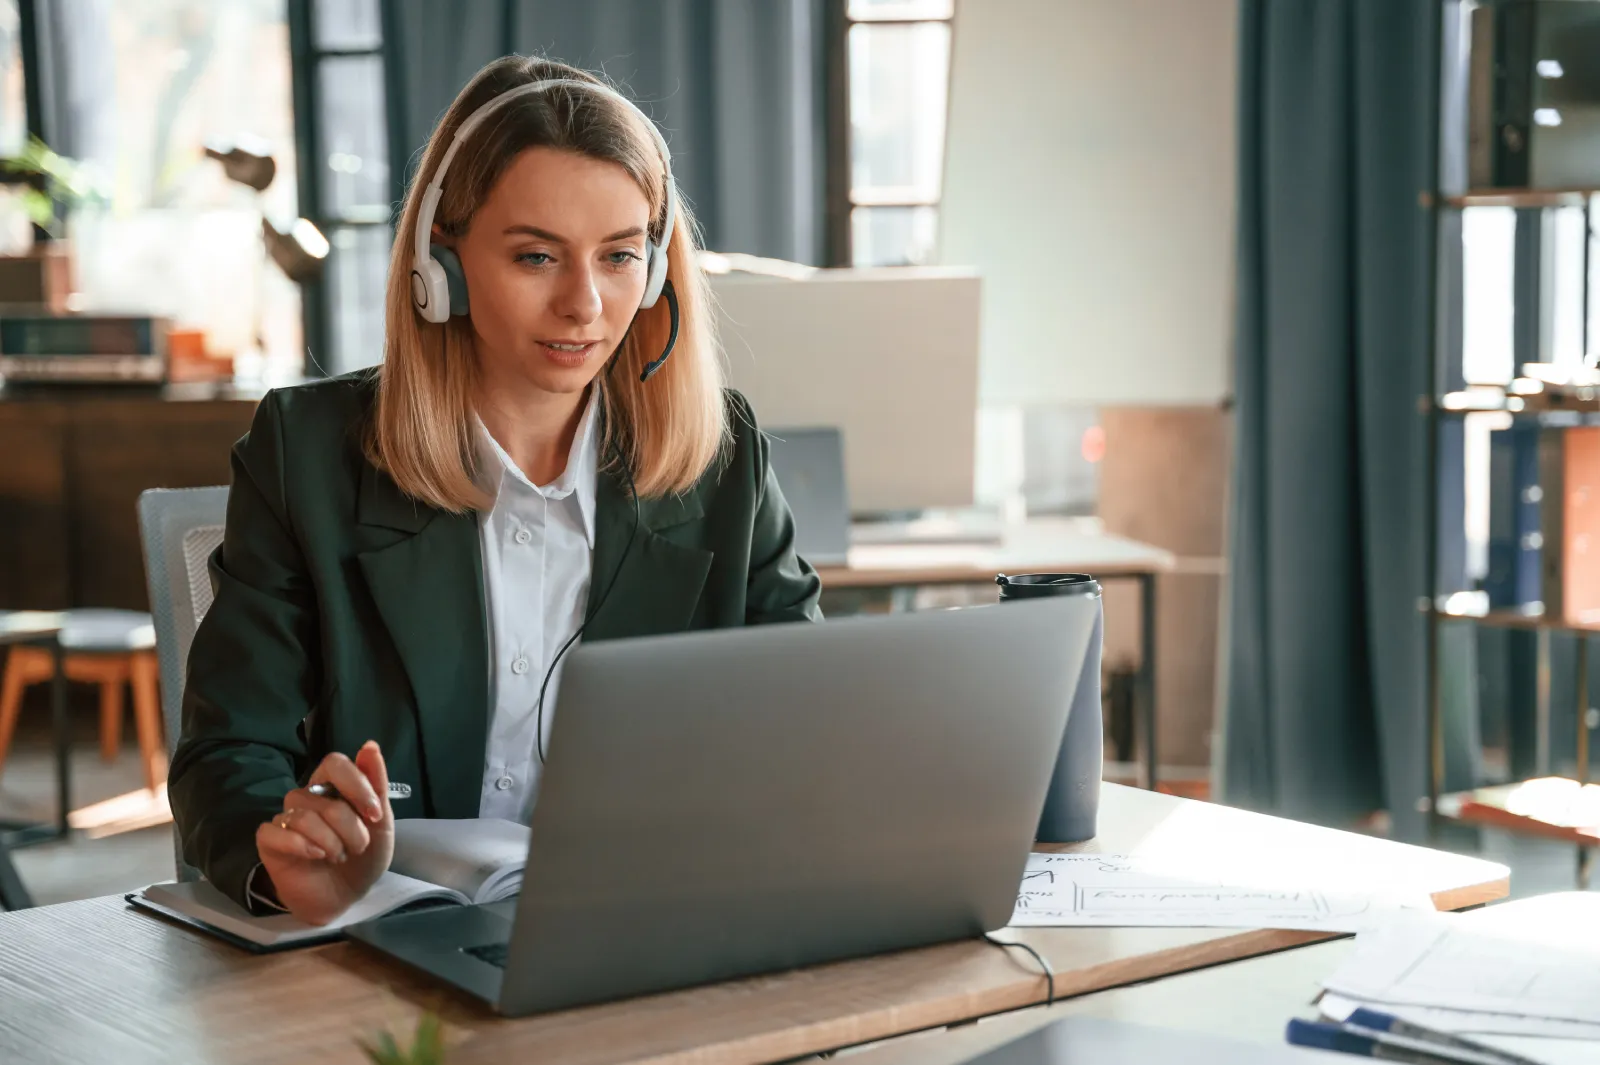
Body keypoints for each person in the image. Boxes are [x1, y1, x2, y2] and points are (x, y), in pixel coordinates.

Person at [168, 56, 822, 925]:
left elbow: (810, 726)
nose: (585, 304)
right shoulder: (309, 453)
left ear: (657, 270)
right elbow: (227, 753)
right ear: (442, 263)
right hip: (386, 933)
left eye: (620, 256)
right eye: (536, 256)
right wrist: (284, 859)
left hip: (644, 924)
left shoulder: (724, 461)